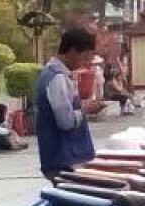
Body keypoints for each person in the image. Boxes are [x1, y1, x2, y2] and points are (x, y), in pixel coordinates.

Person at [35, 27, 104, 180]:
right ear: (72, 51)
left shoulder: (51, 73)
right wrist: (85, 109)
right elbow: (66, 122)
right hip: (63, 159)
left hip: (60, 158)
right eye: (84, 56)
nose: (85, 62)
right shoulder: (57, 78)